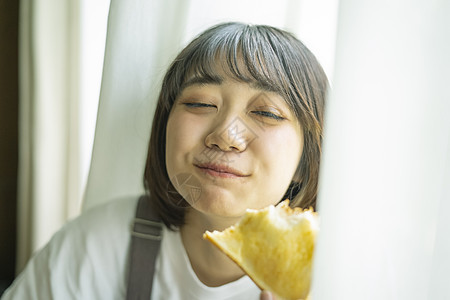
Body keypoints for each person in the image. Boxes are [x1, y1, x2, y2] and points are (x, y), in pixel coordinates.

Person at [2, 22, 328, 300]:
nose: (226, 135)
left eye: (266, 112)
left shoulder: (335, 277)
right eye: (201, 103)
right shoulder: (98, 244)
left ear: (306, 159)